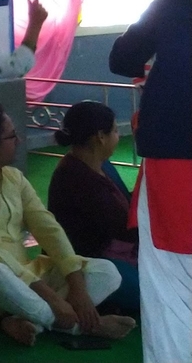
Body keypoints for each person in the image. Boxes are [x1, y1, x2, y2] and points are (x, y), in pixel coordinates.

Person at [0, 104, 134, 346]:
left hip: (28, 275)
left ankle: (20, 320)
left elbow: (48, 228)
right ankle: (79, 327)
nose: (20, 140)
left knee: (106, 272)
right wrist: (53, 298)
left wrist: (76, 285)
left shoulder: (13, 177)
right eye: (13, 136)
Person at [109, 0, 192, 363]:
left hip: (177, 161)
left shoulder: (175, 0)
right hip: (176, 158)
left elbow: (123, 58)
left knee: (171, 286)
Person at [47, 101, 139, 314]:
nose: (118, 136)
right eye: (115, 131)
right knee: (153, 291)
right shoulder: (76, 178)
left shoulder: (99, 165)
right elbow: (122, 227)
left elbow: (123, 204)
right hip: (93, 260)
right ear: (100, 136)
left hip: (119, 249)